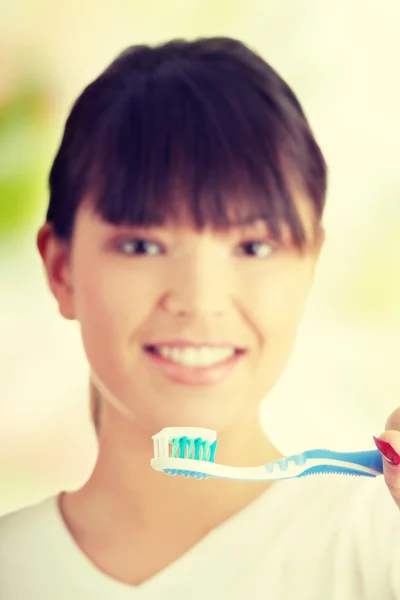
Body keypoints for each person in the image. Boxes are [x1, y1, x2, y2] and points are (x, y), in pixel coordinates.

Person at [0, 36, 399, 600]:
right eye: (142, 245)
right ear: (61, 269)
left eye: (254, 247)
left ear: (311, 265)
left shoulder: (381, 545)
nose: (199, 299)